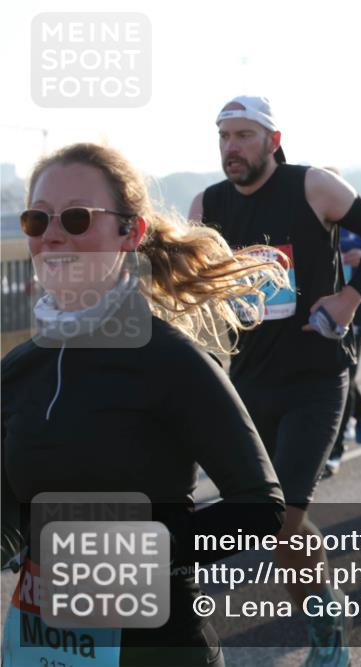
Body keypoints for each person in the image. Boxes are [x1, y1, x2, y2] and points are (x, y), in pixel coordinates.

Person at [2, 142, 286, 666]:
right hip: (41, 648)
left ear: (130, 233)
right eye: (37, 220)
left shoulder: (169, 360)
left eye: (77, 218)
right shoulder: (18, 370)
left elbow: (260, 507)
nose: (53, 235)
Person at [190, 95, 361, 666]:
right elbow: (197, 283)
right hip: (249, 382)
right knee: (278, 523)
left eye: (243, 136)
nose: (231, 147)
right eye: (224, 137)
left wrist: (350, 295)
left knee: (281, 521)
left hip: (316, 379)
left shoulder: (313, 187)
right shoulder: (207, 206)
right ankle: (310, 554)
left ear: (272, 141)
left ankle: (328, 642)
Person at [324, 223, 361, 477]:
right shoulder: (306, 210)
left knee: (344, 371)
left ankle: (335, 451)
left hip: (353, 305)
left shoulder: (357, 216)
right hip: (318, 304)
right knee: (327, 369)